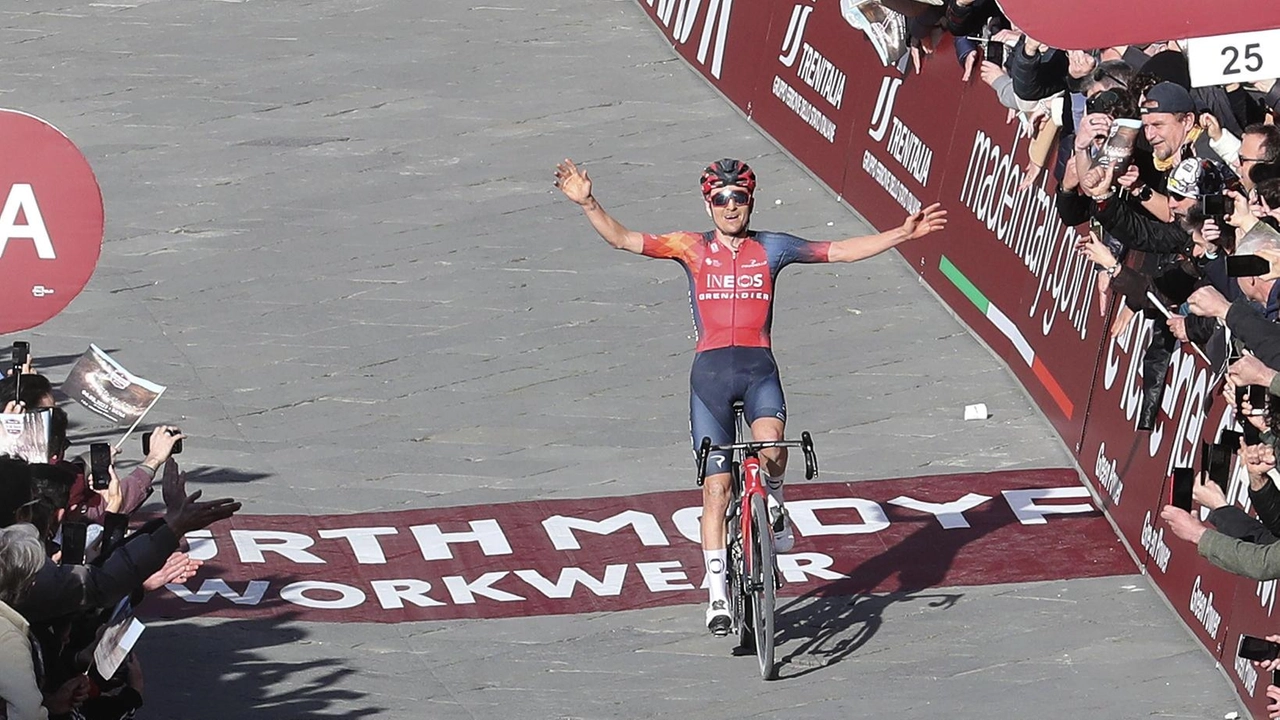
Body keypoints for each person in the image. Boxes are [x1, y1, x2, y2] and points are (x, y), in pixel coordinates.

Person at [553, 157, 947, 634]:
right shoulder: (690, 248)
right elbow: (623, 238)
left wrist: (901, 234)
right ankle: (717, 594)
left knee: (774, 446)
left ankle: (774, 503)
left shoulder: (773, 247)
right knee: (716, 490)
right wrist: (589, 202)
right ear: (708, 204)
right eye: (721, 199)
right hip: (710, 381)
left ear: (750, 201)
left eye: (738, 197)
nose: (730, 206)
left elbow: (839, 251)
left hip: (759, 371)